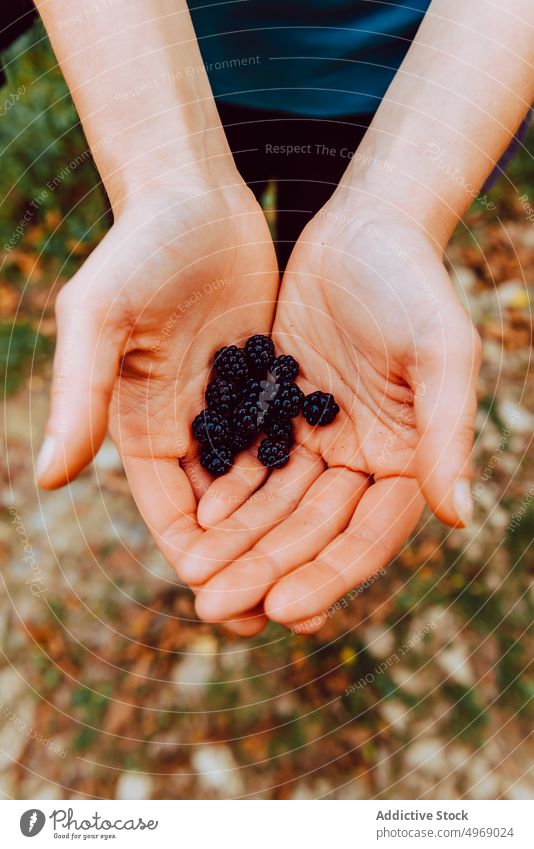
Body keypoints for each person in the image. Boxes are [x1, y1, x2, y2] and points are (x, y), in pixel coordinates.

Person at [4, 1, 533, 636]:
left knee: (326, 266)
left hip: (435, 87)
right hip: (163, 56)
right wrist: (166, 175)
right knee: (237, 259)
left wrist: (402, 207)